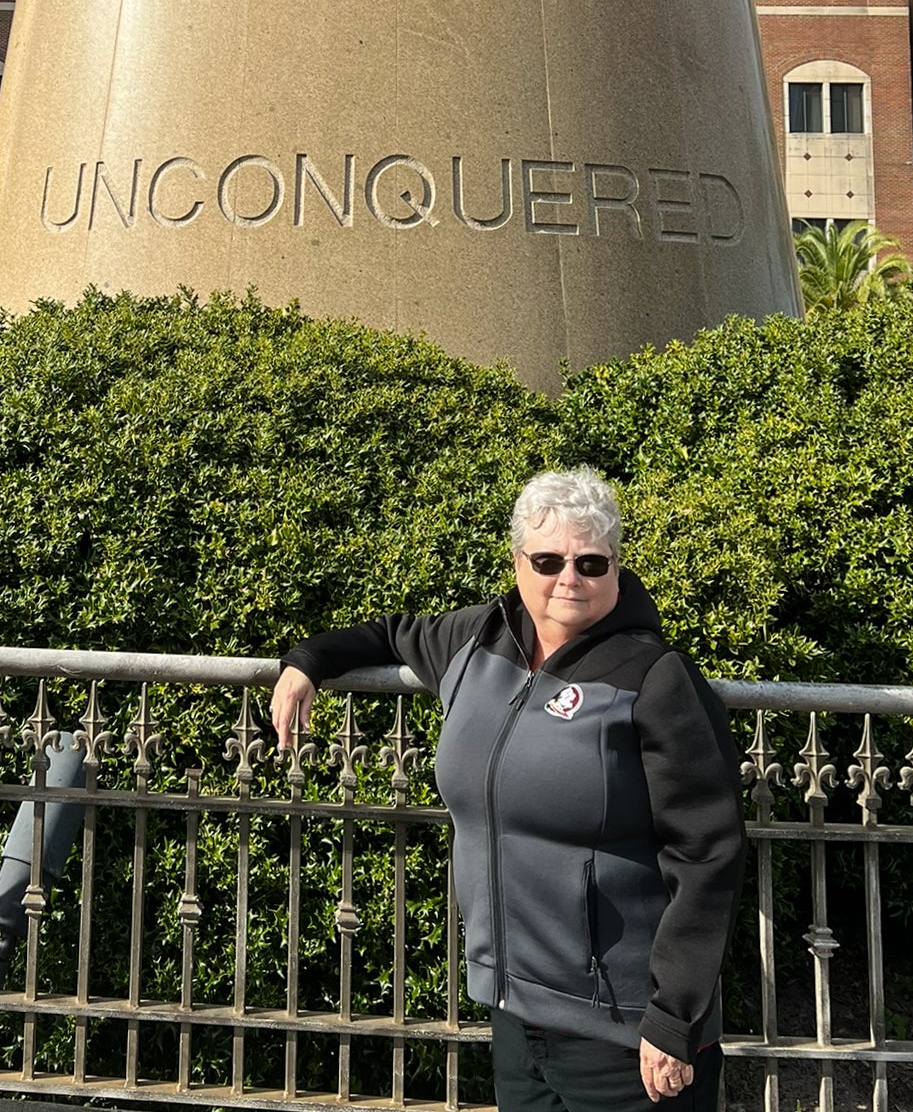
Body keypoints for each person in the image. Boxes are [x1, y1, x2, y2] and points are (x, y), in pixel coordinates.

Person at [271, 469, 745, 1112]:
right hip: (515, 1014)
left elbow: (707, 851)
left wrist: (673, 1016)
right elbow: (389, 632)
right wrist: (305, 663)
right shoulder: (478, 640)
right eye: (548, 560)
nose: (568, 578)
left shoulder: (655, 677)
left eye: (590, 562)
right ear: (519, 561)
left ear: (616, 567)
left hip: (625, 1032)